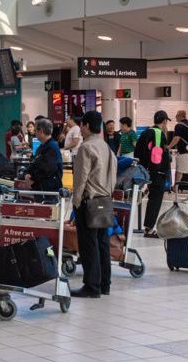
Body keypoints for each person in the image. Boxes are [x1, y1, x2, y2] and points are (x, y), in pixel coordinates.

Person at [71, 112, 118, 298]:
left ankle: (91, 286)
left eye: (82, 125)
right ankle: (105, 284)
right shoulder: (106, 147)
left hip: (89, 201)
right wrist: (107, 193)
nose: (80, 129)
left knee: (88, 245)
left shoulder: (86, 147)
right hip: (105, 200)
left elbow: (81, 178)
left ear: (88, 126)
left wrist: (76, 201)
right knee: (102, 243)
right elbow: (113, 174)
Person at [135, 110, 171, 238]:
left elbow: (138, 152)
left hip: (145, 171)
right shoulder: (159, 133)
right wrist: (159, 171)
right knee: (155, 200)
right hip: (157, 172)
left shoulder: (145, 132)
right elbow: (158, 155)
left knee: (152, 199)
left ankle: (148, 227)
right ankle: (149, 229)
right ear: (164, 121)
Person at [25, 118, 63, 191]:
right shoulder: (43, 146)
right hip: (41, 188)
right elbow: (34, 162)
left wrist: (32, 178)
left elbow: (46, 169)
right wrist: (27, 173)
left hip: (49, 191)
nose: (35, 132)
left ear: (41, 131)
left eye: (36, 130)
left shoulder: (52, 147)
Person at [170, 111, 188, 190]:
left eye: (176, 115)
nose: (175, 117)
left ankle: (175, 188)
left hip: (184, 152)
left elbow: (177, 138)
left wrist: (169, 147)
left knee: (179, 171)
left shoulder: (179, 125)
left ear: (180, 116)